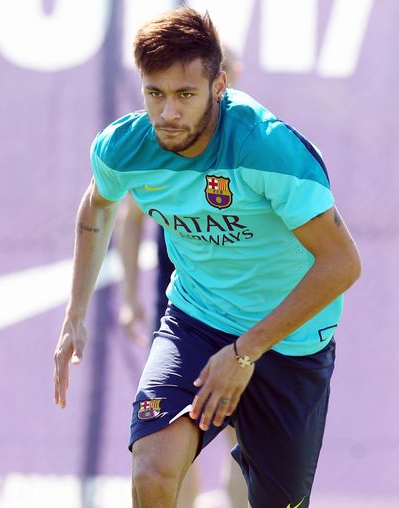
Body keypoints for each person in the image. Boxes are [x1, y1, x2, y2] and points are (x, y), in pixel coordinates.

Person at [53, 7, 361, 508]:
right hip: (196, 321)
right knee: (152, 471)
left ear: (219, 86)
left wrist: (245, 352)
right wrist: (75, 314)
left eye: (184, 95)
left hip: (290, 339)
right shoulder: (124, 147)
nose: (167, 113)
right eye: (154, 94)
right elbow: (98, 205)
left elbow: (343, 264)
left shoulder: (268, 149)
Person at [117, 45, 247, 508]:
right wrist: (129, 297)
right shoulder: (161, 141)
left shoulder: (256, 143)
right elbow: (129, 216)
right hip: (181, 311)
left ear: (225, 78)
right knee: (173, 430)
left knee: (241, 429)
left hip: (244, 310)